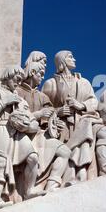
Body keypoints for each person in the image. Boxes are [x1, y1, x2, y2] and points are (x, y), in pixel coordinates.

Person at [42, 50, 106, 181]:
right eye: (70, 57)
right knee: (71, 153)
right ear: (62, 61)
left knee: (103, 130)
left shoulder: (83, 81)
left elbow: (93, 100)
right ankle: (74, 176)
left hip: (83, 119)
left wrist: (82, 105)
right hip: (64, 126)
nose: (74, 59)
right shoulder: (51, 83)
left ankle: (105, 165)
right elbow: (44, 108)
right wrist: (59, 111)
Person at [17, 61, 71, 191]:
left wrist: (55, 123)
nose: (42, 78)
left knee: (65, 151)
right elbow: (16, 117)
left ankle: (51, 185)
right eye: (40, 74)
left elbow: (51, 117)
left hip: (40, 135)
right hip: (22, 136)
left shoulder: (43, 97)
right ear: (32, 73)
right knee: (32, 159)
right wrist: (39, 114)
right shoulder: (17, 92)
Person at [0, 66, 45, 209]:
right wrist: (4, 102)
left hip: (18, 132)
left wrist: (29, 124)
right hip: (1, 127)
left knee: (33, 158)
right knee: (0, 162)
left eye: (20, 80)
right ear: (8, 77)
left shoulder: (19, 98)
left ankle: (29, 191)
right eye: (16, 79)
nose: (18, 83)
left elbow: (29, 118)